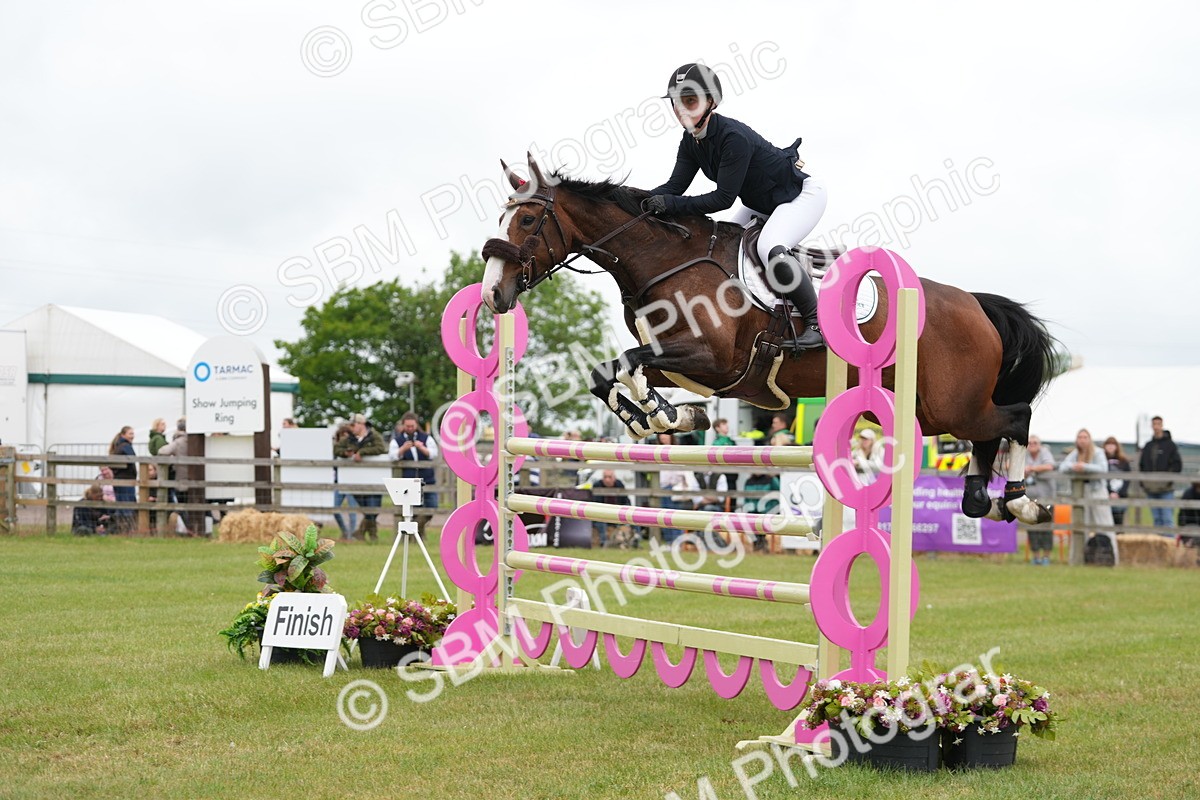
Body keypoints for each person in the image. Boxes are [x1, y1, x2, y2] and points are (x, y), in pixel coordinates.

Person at [646, 62, 826, 351]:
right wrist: (632, 200)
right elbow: (674, 188)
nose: (681, 110)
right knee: (721, 244)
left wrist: (670, 204)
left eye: (690, 101)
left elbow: (722, 199)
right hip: (761, 203)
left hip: (801, 196)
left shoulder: (733, 138)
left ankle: (816, 323)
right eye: (677, 103)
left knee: (769, 247)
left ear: (712, 102)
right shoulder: (690, 142)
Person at [1059, 429, 1114, 560]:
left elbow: (1103, 469)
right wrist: (1073, 466)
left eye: (1085, 437)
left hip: (1097, 492)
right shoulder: (1075, 453)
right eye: (1080, 437)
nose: (1082, 440)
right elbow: (1062, 467)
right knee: (1080, 525)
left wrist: (1084, 467)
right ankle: (1077, 558)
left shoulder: (1098, 452)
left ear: (1089, 439)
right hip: (1080, 493)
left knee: (1104, 524)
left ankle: (1111, 558)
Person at [334, 413, 387, 540]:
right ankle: (369, 535)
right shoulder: (349, 439)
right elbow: (336, 449)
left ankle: (366, 534)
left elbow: (380, 448)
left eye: (353, 425)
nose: (351, 428)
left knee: (373, 508)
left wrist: (362, 452)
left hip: (374, 478)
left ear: (361, 424)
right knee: (366, 509)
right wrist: (346, 453)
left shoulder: (374, 436)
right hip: (355, 479)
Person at [1138, 416, 1182, 529]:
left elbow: (1177, 465)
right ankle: (1158, 540)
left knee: (1167, 519)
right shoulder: (1148, 446)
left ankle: (1169, 540)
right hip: (1150, 488)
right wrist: (1144, 483)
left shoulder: (1170, 445)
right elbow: (1142, 465)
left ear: (1162, 425)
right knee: (1156, 519)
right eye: (1154, 424)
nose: (1156, 427)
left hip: (1165, 488)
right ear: (1151, 426)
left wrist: (1168, 480)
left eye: (1158, 424)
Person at [389, 412, 440, 510]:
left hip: (427, 479)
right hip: (408, 482)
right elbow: (392, 456)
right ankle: (418, 520)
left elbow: (434, 453)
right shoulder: (397, 440)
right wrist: (403, 449)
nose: (410, 428)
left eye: (412, 426)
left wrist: (422, 448)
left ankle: (422, 520)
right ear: (403, 425)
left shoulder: (426, 438)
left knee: (432, 506)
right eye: (407, 426)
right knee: (412, 510)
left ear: (416, 424)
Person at [158, 418, 195, 536]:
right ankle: (199, 528)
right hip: (198, 478)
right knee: (197, 504)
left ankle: (190, 529)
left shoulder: (179, 441)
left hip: (182, 478)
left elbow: (163, 451)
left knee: (182, 504)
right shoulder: (196, 440)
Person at [1023, 435, 1057, 564]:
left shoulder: (1045, 452)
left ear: (1039, 444)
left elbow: (1050, 466)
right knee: (1032, 528)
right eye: (1030, 442)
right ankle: (1036, 557)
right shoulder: (1024, 454)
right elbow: (1010, 464)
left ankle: (1046, 557)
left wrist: (1031, 469)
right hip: (1030, 499)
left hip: (1047, 499)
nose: (1032, 444)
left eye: (1035, 442)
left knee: (1046, 528)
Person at [331, 424, 360, 540]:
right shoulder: (336, 451)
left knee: (352, 511)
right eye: (342, 437)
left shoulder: (356, 448)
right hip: (339, 482)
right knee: (334, 508)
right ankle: (345, 531)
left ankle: (350, 536)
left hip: (352, 482)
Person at [591, 470, 630, 548]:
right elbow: (595, 504)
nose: (607, 480)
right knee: (601, 524)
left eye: (609, 477)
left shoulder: (619, 485)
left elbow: (625, 501)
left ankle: (636, 540)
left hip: (617, 514)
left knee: (633, 520)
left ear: (614, 478)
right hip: (601, 515)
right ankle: (604, 543)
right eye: (605, 477)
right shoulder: (597, 485)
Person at [108, 426, 137, 533]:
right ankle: (128, 529)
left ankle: (119, 529)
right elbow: (133, 457)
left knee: (121, 504)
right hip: (126, 480)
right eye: (130, 434)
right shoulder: (125, 446)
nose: (132, 436)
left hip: (119, 479)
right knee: (127, 504)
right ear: (123, 435)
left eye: (133, 433)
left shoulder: (117, 446)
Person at [1103, 437, 1132, 528]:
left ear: (1116, 446)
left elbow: (1128, 479)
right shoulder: (1101, 460)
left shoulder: (1124, 461)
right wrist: (1109, 492)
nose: (1110, 447)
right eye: (1108, 444)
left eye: (1112, 444)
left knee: (1119, 520)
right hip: (1105, 495)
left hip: (1120, 495)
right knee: (1106, 520)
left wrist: (1119, 493)